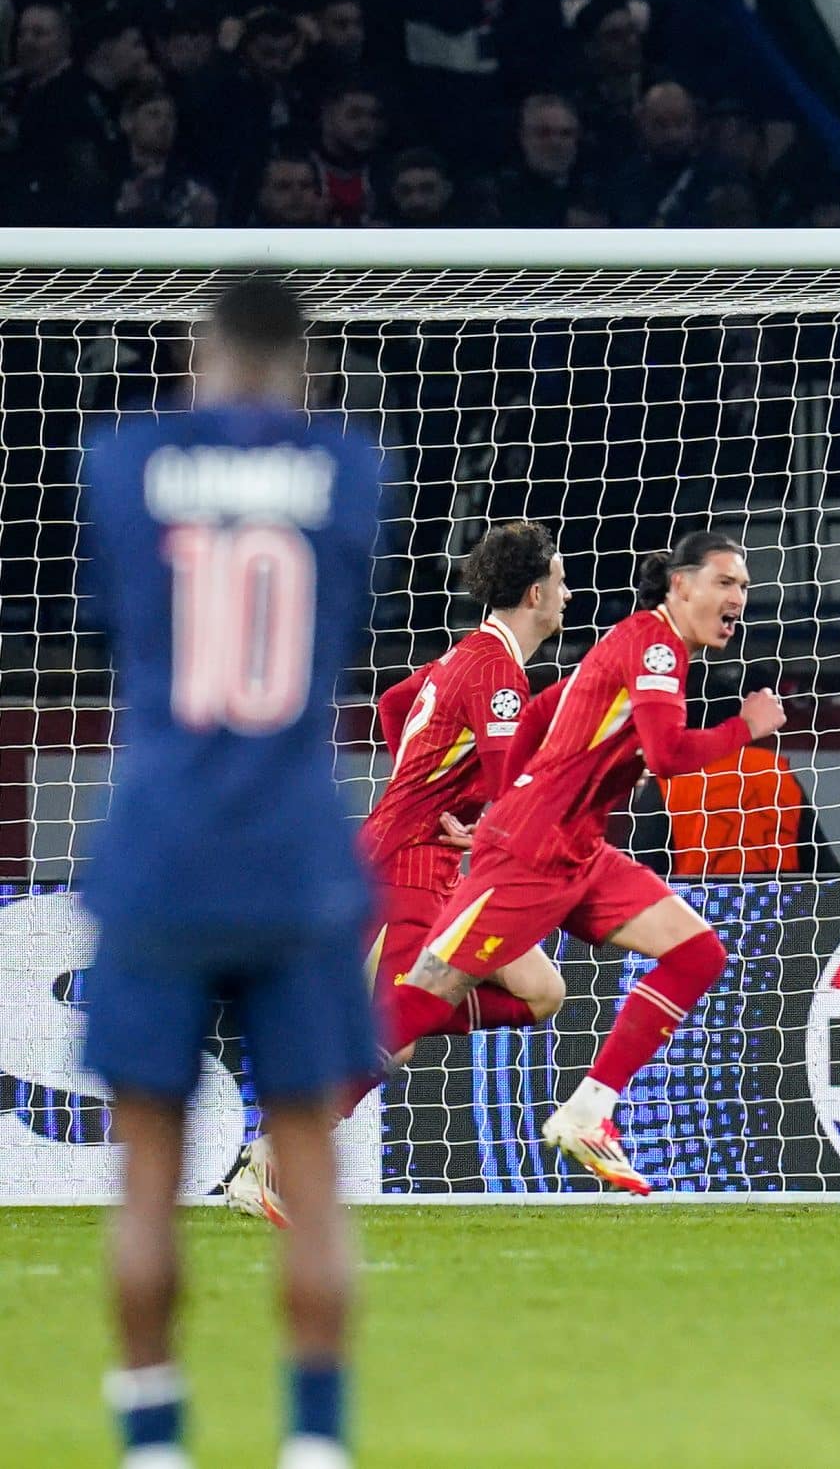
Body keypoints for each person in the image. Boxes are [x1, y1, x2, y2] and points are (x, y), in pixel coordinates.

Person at [79, 277, 380, 1469]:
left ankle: (154, 1442)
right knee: (307, 1162)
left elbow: (127, 609)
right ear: (301, 369)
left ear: (201, 355)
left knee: (148, 1177)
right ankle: (315, 1445)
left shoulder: (124, 461)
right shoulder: (351, 471)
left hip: (159, 849)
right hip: (297, 855)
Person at [376, 532, 789, 1194]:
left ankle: (590, 1109)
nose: (737, 596)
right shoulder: (652, 645)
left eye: (743, 585)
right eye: (724, 582)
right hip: (530, 853)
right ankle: (286, 1139)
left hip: (576, 848)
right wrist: (746, 725)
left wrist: (504, 798)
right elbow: (666, 755)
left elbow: (545, 709)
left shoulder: (635, 644)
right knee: (424, 1000)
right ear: (680, 584)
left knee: (696, 951)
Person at [220, 521, 575, 1223]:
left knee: (541, 989)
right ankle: (267, 1159)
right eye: (561, 580)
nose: (568, 591)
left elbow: (391, 706)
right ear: (535, 593)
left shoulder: (462, 659)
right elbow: (512, 782)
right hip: (409, 864)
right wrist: (455, 804)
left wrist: (434, 789)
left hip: (423, 856)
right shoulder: (497, 674)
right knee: (400, 1035)